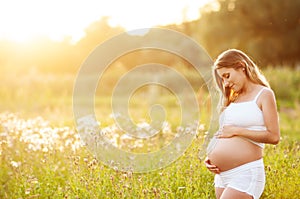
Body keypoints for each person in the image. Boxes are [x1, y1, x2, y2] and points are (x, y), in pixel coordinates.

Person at [204, 49, 280, 199]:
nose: (226, 83)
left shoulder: (264, 94)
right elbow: (224, 132)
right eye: (222, 79)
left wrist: (237, 131)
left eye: (227, 76)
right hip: (222, 176)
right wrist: (210, 157)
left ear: (241, 66)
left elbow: (274, 137)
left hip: (245, 173)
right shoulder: (232, 99)